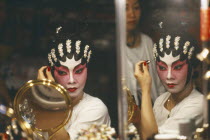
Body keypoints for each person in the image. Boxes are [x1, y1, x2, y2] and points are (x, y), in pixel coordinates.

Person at [37, 26, 111, 140]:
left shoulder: (96, 108)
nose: (71, 80)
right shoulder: (41, 108)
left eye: (79, 71)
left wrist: (50, 98)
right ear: (51, 74)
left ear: (87, 70)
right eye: (62, 72)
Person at [134, 33, 204, 140]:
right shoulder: (161, 100)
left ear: (193, 67)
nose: (169, 76)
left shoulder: (198, 104)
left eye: (178, 67)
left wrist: (145, 89)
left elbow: (150, 137)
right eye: (162, 68)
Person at [125, 0, 165, 104]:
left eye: (136, 8)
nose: (132, 14)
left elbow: (158, 83)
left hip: (153, 109)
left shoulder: (148, 42)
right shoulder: (115, 46)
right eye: (125, 8)